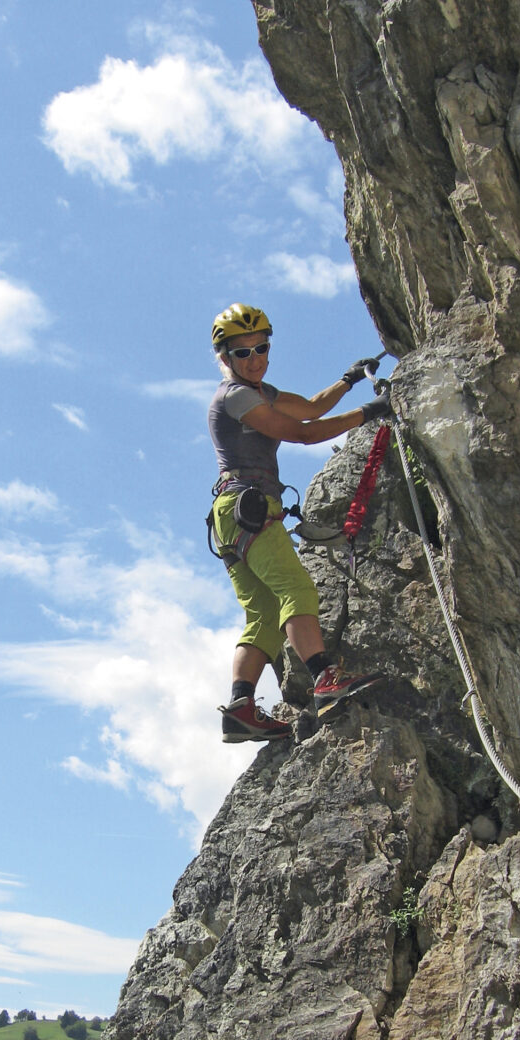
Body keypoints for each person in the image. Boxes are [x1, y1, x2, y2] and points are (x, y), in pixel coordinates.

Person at [208, 302, 391, 743]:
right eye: (242, 353)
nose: (254, 359)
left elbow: (310, 408)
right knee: (296, 588)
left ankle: (241, 708)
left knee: (265, 612)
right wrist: (372, 411)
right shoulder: (236, 397)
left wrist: (348, 381)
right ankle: (325, 678)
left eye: (261, 348)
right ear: (224, 357)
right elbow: (304, 433)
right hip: (248, 508)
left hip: (231, 517)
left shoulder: (257, 392)